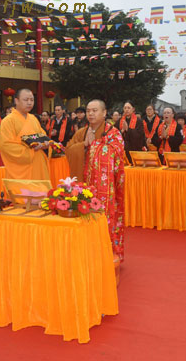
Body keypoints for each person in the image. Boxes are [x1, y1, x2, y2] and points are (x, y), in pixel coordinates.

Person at [65, 99, 125, 261]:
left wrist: (96, 146)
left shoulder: (113, 133)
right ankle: (85, 251)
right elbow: (69, 149)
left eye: (95, 110)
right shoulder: (82, 132)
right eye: (89, 110)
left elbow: (117, 151)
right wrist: (84, 145)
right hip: (83, 183)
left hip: (104, 187)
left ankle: (107, 250)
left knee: (104, 217)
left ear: (104, 113)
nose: (91, 114)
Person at [0, 88, 50, 180]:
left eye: (32, 100)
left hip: (38, 165)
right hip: (20, 170)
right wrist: (31, 151)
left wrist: (45, 144)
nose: (29, 103)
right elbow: (6, 146)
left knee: (40, 192)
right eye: (26, 100)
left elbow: (42, 136)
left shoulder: (33, 118)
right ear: (16, 101)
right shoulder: (8, 121)